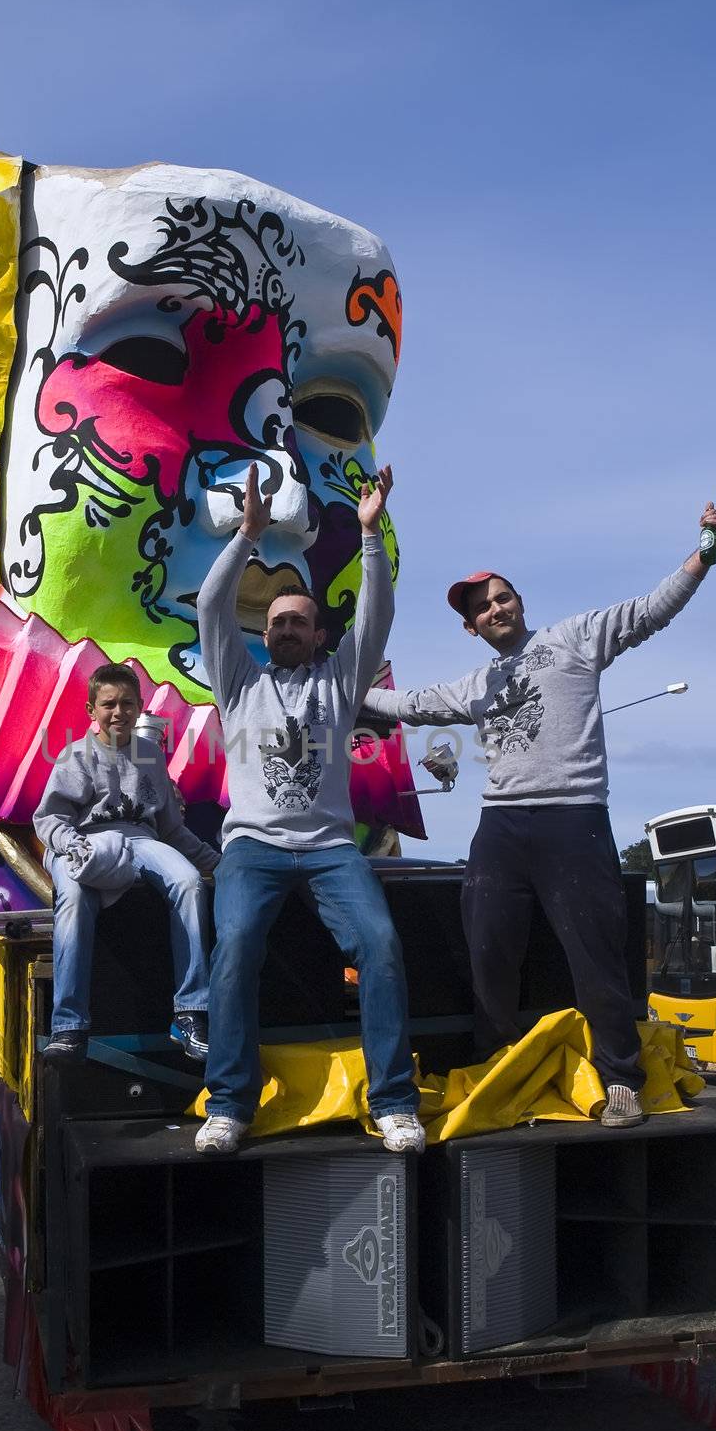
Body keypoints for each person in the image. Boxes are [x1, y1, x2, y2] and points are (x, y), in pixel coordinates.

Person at [361, 493, 716, 1128]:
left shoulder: (576, 639)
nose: (494, 609)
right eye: (481, 609)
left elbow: (652, 610)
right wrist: (335, 693)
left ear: (520, 602)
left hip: (573, 819)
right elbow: (409, 705)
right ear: (470, 628)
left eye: (501, 597)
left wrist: (707, 548)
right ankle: (497, 1069)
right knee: (488, 953)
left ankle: (620, 1078)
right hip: (501, 827)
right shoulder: (475, 687)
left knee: (596, 956)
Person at [193, 464, 423, 1156]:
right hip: (253, 850)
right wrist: (248, 536)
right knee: (233, 947)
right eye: (277, 623)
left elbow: (377, 614)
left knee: (381, 945)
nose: (288, 629)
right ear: (264, 635)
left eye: (299, 622)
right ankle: (230, 1103)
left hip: (330, 850)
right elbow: (209, 606)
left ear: (320, 634)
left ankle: (393, 1101)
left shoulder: (340, 682)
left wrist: (370, 530)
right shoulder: (238, 684)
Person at [33, 663, 220, 1063]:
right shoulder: (75, 756)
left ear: (139, 709)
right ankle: (69, 1028)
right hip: (82, 840)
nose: (119, 712)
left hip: (140, 838)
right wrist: (74, 846)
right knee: (73, 897)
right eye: (109, 704)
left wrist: (217, 863)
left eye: (128, 704)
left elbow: (172, 830)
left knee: (188, 882)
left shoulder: (150, 755)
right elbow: (49, 820)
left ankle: (191, 1013)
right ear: (91, 710)